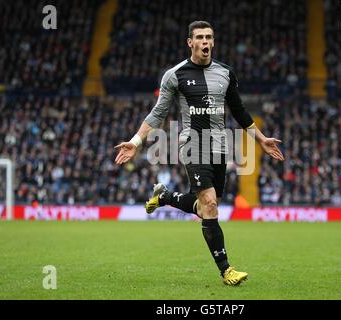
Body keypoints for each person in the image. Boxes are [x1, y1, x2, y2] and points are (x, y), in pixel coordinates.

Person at [114, 21, 284, 286]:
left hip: (220, 147)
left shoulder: (226, 73)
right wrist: (136, 142)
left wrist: (260, 139)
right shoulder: (175, 75)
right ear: (190, 42)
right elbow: (158, 113)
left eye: (209, 37)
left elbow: (239, 110)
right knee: (211, 205)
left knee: (206, 207)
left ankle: (166, 196)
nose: (205, 42)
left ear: (213, 42)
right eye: (200, 38)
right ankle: (227, 270)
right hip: (192, 145)